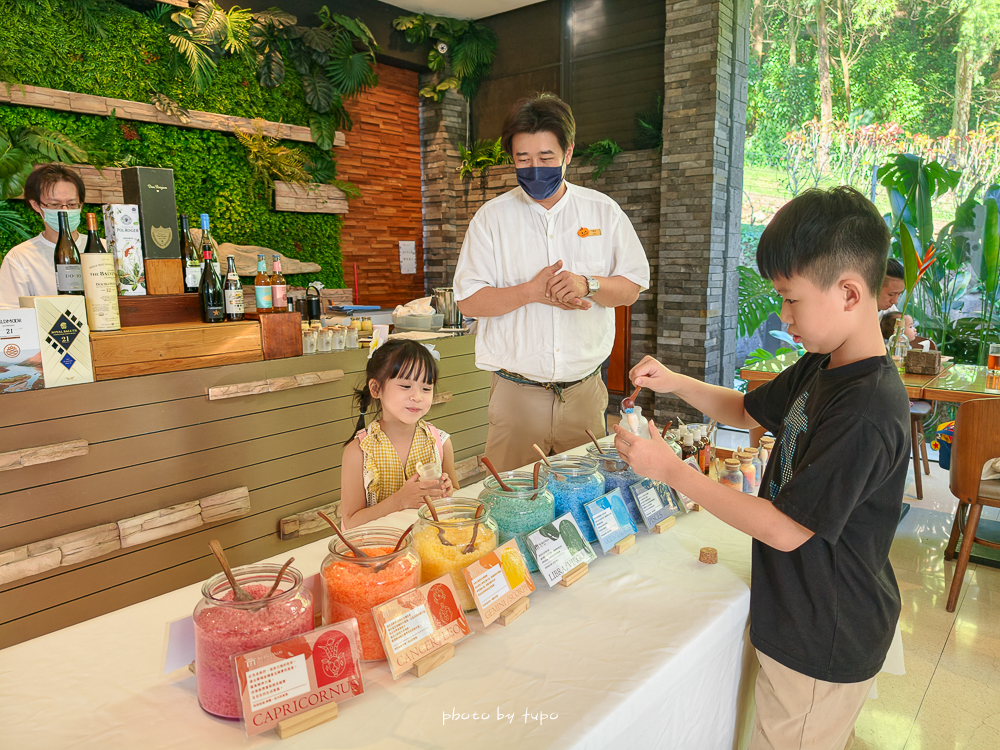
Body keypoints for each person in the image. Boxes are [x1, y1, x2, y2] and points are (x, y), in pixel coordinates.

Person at [614, 187, 909, 750]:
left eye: (791, 299)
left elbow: (784, 527)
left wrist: (671, 471)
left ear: (850, 292)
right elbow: (747, 409)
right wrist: (674, 382)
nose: (783, 315)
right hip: (801, 612)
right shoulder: (825, 364)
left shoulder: (867, 409)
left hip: (824, 634)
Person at [453, 93, 650, 472]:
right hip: (516, 396)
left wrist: (587, 284)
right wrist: (531, 292)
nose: (534, 168)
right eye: (523, 159)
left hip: (585, 393)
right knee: (514, 505)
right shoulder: (491, 219)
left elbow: (631, 287)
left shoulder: (602, 212)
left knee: (586, 500)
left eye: (545, 158)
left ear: (568, 153)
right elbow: (469, 301)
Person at [339, 339, 459, 529]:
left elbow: (454, 499)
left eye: (426, 388)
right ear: (376, 389)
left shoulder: (439, 443)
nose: (417, 397)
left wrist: (448, 490)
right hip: (378, 549)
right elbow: (351, 522)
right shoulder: (358, 452)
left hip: (428, 544)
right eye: (405, 386)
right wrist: (400, 500)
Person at [0, 164, 88, 309]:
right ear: (36, 205)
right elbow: (10, 314)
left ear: (81, 205)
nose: (64, 211)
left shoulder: (104, 248)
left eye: (72, 204)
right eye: (54, 204)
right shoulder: (20, 258)